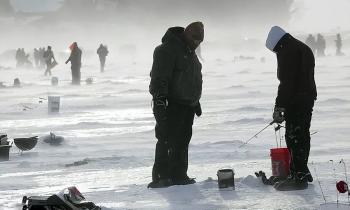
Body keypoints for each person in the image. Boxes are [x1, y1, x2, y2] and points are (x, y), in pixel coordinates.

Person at [148, 21, 204, 188]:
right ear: (186, 33)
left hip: (188, 105)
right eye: (194, 38)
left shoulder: (189, 51)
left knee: (182, 142)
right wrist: (160, 101)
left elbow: (191, 78)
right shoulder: (166, 50)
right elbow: (159, 78)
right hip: (170, 104)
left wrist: (195, 100)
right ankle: (161, 176)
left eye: (200, 40)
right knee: (166, 139)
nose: (197, 43)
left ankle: (179, 174)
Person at [266, 26, 317, 191]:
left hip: (297, 100)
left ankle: (298, 177)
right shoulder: (300, 46)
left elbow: (287, 83)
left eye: (275, 51)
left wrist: (280, 106)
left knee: (295, 137)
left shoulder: (288, 52)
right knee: (301, 135)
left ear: (277, 44)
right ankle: (301, 171)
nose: (276, 54)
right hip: (306, 98)